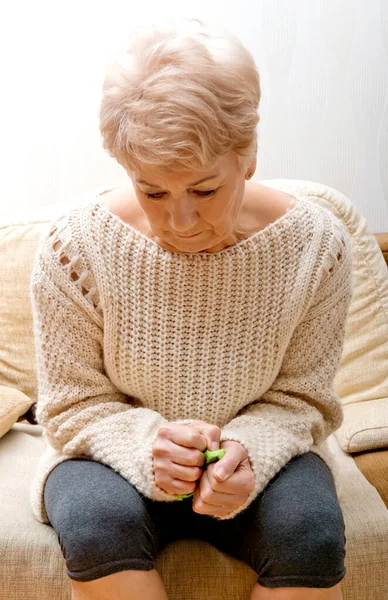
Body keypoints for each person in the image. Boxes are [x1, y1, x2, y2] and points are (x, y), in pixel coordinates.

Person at [29, 17, 353, 600]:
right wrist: (143, 442)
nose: (179, 222)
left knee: (311, 533)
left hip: (256, 457)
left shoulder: (317, 246)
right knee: (98, 524)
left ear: (247, 157)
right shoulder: (72, 246)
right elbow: (69, 405)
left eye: (205, 190)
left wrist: (247, 449)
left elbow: (303, 398)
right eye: (152, 191)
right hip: (108, 460)